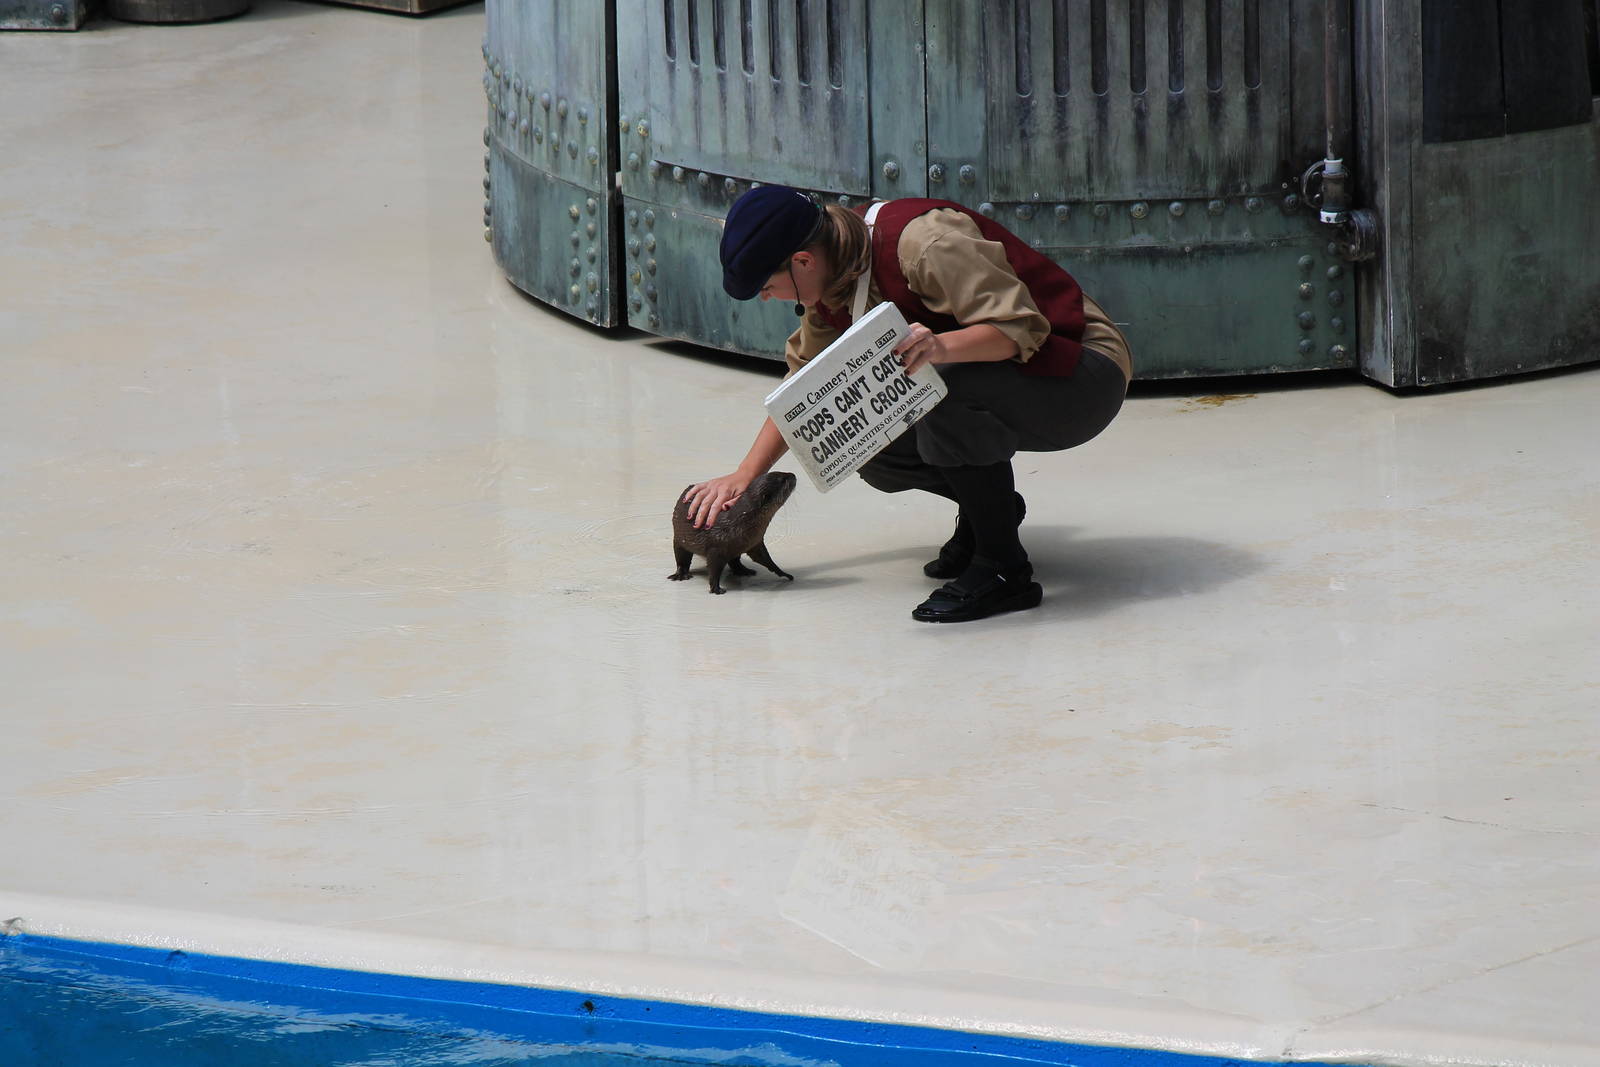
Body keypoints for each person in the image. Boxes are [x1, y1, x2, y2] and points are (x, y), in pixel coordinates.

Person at [683, 185, 1132, 623]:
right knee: (861, 439)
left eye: (767, 287)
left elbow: (1020, 329)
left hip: (1080, 373)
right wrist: (745, 474)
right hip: (1007, 376)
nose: (767, 298)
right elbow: (803, 392)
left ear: (803, 261)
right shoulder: (832, 278)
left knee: (942, 384)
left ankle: (1004, 569)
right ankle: (990, 515)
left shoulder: (925, 243)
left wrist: (940, 348)